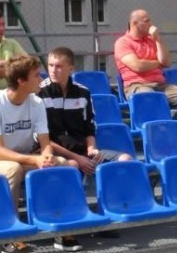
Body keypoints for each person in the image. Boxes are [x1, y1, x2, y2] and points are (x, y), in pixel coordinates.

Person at [0, 54, 74, 253]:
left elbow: (45, 143)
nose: (41, 78)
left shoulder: (36, 102)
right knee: (12, 169)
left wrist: (46, 157)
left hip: (21, 157)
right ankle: (10, 233)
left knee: (62, 164)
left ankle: (59, 226)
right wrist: (35, 159)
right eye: (36, 75)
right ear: (21, 81)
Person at [39, 47, 134, 176]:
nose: (53, 70)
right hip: (56, 154)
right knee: (74, 165)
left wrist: (91, 149)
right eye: (50, 65)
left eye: (59, 66)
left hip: (82, 152)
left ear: (71, 69)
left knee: (126, 160)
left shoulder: (83, 92)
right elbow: (42, 139)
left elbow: (89, 128)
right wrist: (78, 158)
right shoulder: (40, 93)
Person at [113, 9, 177, 107]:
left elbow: (166, 62)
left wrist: (158, 40)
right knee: (151, 98)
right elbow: (138, 66)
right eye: (146, 21)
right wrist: (158, 63)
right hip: (137, 85)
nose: (150, 24)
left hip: (160, 85)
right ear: (135, 23)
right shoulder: (123, 42)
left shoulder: (152, 40)